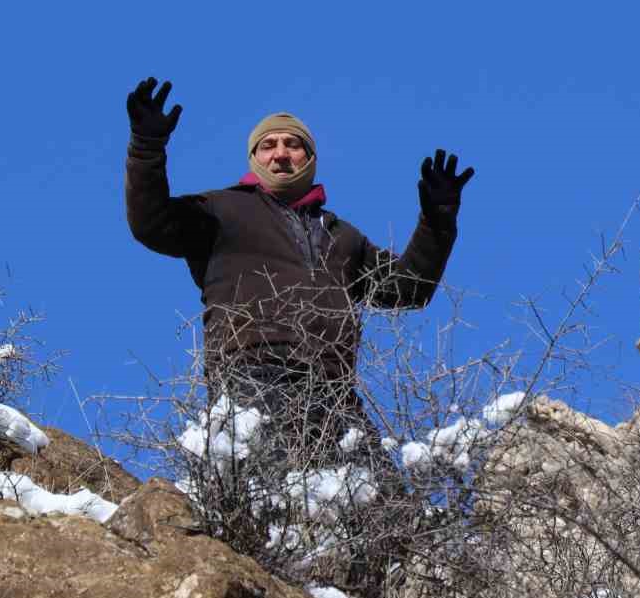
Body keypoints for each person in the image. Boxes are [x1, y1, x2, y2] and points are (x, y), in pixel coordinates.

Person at [124, 76, 473, 457]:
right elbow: (151, 223)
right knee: (273, 495)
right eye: (268, 145)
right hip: (253, 376)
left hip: (334, 390)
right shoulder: (220, 210)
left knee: (379, 500)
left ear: (310, 157)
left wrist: (437, 222)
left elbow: (409, 290)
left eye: (293, 144)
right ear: (254, 158)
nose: (281, 153)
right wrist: (147, 147)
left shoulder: (343, 236)